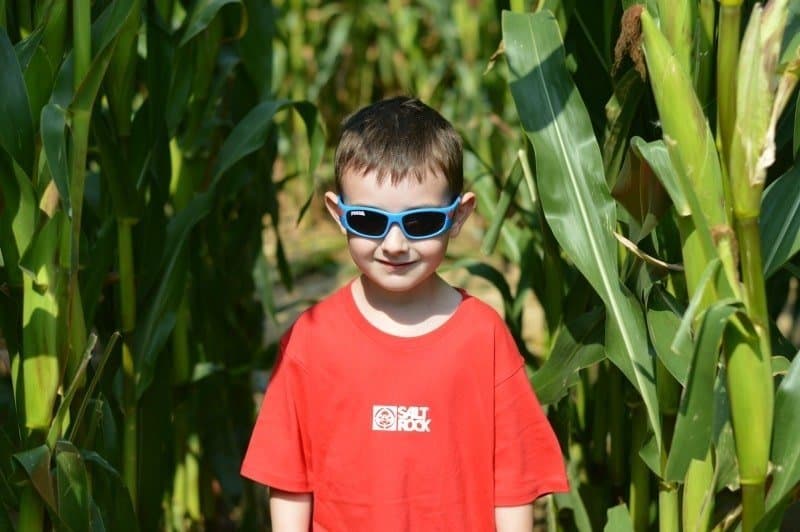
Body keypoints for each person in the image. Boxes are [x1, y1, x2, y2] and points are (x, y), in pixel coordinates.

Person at [241, 96, 568, 531]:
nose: (394, 244)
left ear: (459, 216)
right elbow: (289, 479)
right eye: (370, 221)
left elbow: (513, 483)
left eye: (420, 223)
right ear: (339, 215)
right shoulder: (312, 338)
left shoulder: (483, 336)